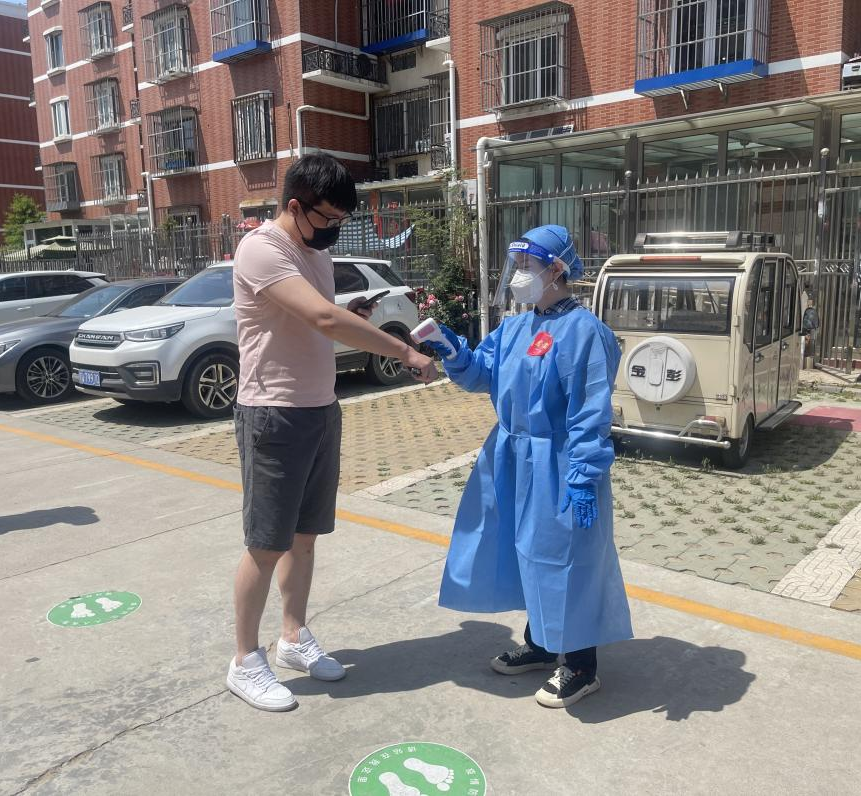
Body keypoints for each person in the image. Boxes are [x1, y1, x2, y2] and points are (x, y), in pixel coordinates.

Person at [226, 154, 438, 712]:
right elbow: (321, 319)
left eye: (343, 219)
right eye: (327, 217)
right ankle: (245, 660)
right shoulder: (262, 248)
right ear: (294, 206)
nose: (334, 229)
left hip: (320, 408)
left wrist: (354, 312)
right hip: (273, 413)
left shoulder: (315, 250)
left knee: (304, 536)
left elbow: (320, 314)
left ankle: (293, 636)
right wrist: (404, 351)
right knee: (266, 543)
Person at [424, 224, 632, 709]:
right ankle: (541, 643)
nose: (519, 275)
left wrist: (584, 476)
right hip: (513, 456)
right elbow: (483, 373)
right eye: (516, 266)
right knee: (523, 552)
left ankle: (581, 665)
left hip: (559, 462)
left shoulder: (585, 332)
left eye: (527, 266)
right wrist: (453, 351)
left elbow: (590, 411)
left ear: (556, 269)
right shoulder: (516, 328)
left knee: (566, 558)